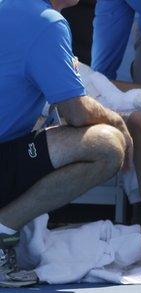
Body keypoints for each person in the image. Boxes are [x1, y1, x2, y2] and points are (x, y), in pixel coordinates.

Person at [0, 0, 132, 275]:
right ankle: (2, 229)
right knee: (107, 145)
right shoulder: (47, 23)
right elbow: (76, 113)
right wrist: (118, 122)